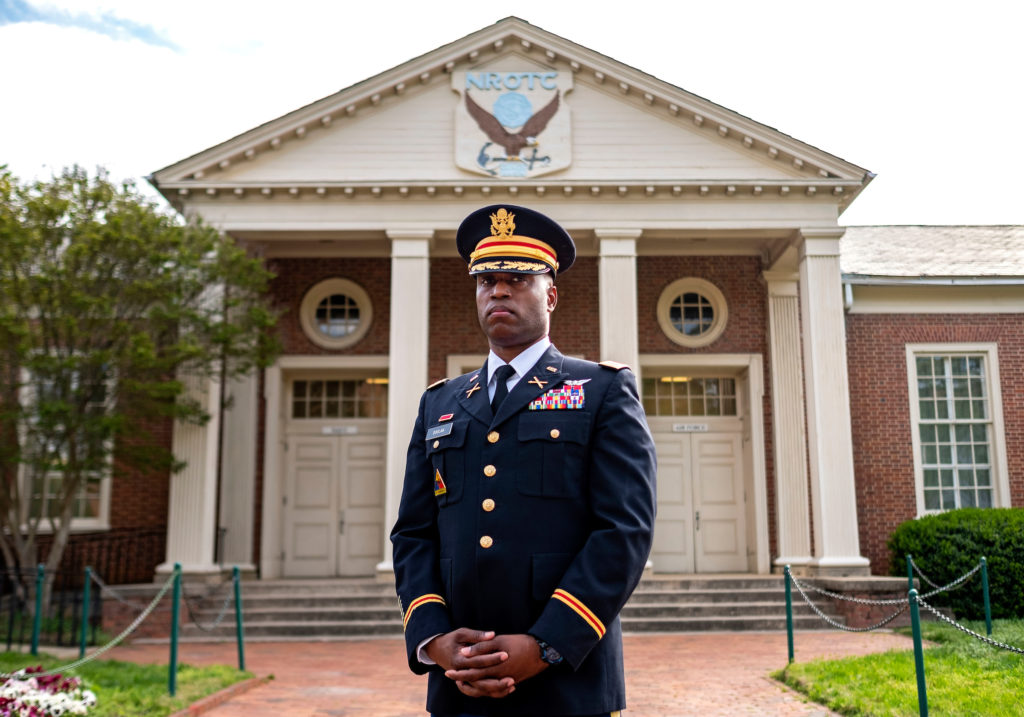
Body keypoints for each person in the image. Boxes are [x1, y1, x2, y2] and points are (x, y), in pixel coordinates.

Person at [391, 204, 657, 717]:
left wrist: (545, 644)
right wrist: (436, 639)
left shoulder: (600, 390)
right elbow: (413, 533)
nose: (499, 290)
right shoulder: (440, 403)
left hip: (568, 682)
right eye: (487, 280)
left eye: (517, 279)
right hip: (458, 680)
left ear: (551, 295)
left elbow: (623, 531)